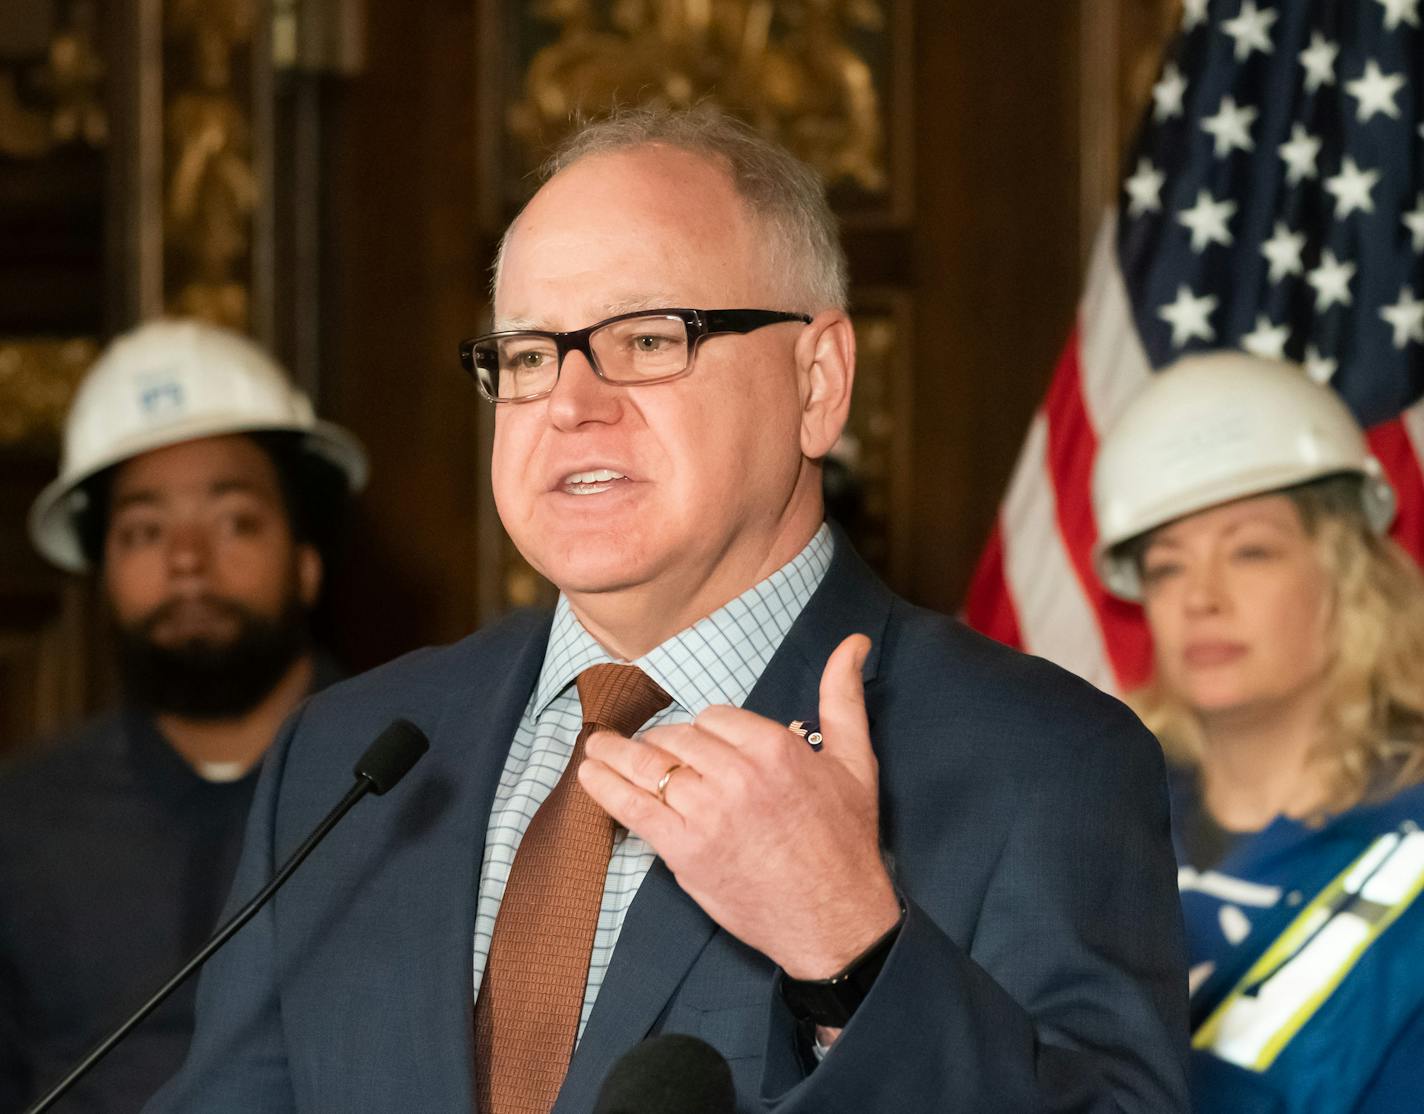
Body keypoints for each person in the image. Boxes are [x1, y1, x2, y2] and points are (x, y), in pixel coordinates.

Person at [149, 106, 1188, 1113]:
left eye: (646, 339)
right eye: (525, 354)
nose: (568, 402)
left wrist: (851, 951)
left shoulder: (1037, 761)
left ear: (818, 383)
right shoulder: (347, 761)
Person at [0, 319, 368, 1113]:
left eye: (233, 520)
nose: (188, 560)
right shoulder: (21, 822)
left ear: (306, 559)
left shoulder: (420, 781)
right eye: (144, 531)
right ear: (102, 581)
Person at [1091, 352, 1424, 1113]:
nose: (1200, 598)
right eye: (1168, 567)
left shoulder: (1412, 839)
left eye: (1250, 551)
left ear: (1346, 576)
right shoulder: (1096, 812)